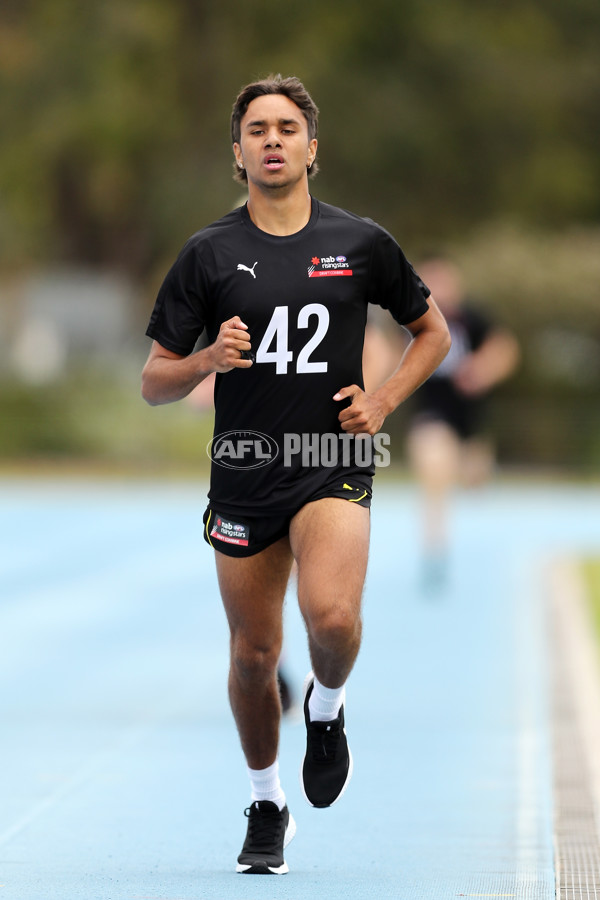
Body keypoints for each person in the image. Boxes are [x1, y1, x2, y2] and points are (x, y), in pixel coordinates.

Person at [141, 74, 450, 875]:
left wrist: (381, 402)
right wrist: (208, 357)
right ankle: (268, 801)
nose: (271, 139)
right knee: (251, 655)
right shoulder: (208, 253)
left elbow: (432, 333)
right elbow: (154, 380)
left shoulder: (362, 245)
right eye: (256, 130)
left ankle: (328, 704)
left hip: (333, 461)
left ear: (313, 148)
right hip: (245, 467)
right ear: (236, 155)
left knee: (335, 622)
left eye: (286, 127)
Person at [405, 255, 519, 585]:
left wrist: (484, 369)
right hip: (432, 416)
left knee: (473, 482)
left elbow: (505, 348)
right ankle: (434, 548)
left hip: (471, 422)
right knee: (435, 470)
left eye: (444, 281)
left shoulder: (473, 318)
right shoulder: (411, 321)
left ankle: (475, 468)